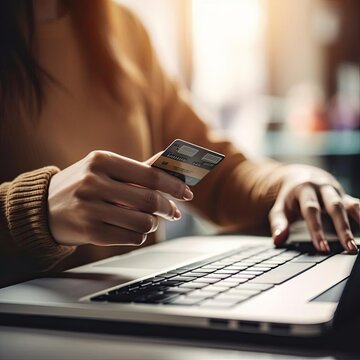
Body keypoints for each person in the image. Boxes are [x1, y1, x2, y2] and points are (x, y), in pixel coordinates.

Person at [0, 0, 359, 287]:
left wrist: (289, 182)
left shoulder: (121, 27)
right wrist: (35, 212)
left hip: (140, 311)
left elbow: (214, 172)